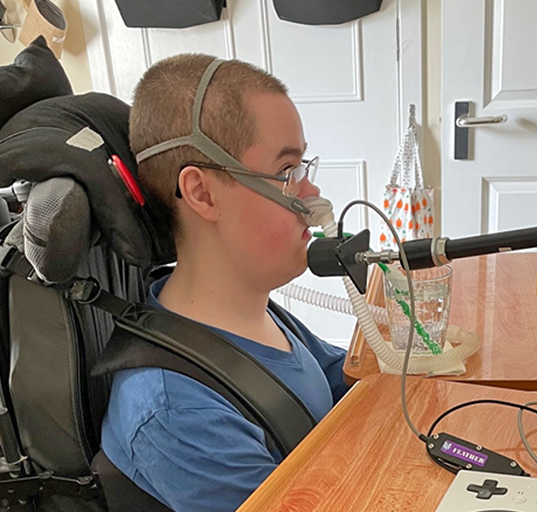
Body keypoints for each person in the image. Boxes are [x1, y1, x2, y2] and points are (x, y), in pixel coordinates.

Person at [100, 54, 350, 512]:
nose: (311, 193)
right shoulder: (177, 411)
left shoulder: (253, 313)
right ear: (202, 192)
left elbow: (336, 379)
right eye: (287, 172)